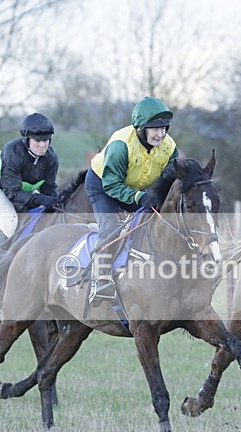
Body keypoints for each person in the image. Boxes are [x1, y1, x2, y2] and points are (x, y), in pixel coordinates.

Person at [85, 96, 178, 302]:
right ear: (140, 128)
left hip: (135, 186)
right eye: (155, 128)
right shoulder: (121, 145)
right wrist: (139, 197)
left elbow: (168, 179)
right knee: (111, 227)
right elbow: (112, 184)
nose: (161, 134)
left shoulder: (169, 147)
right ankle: (99, 279)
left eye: (164, 128)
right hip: (103, 184)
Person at [0, 112, 60, 265]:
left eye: (46, 140)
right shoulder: (12, 152)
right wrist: (42, 199)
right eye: (38, 140)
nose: (43, 145)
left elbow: (49, 190)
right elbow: (13, 193)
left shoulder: (51, 159)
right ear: (27, 139)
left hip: (21, 190)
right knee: (10, 222)